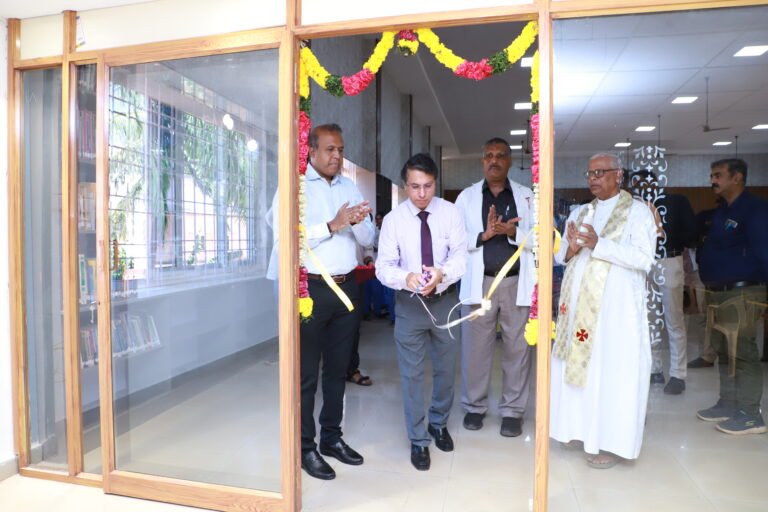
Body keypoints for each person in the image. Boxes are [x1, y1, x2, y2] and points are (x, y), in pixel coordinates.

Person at [267, 123, 374, 480]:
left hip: (347, 288)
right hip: (310, 289)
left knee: (338, 370)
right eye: (330, 149)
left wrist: (358, 222)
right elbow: (285, 238)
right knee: (307, 374)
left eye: (340, 149)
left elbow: (368, 238)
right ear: (311, 152)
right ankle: (304, 447)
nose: (337, 156)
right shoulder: (295, 187)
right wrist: (332, 225)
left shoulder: (350, 186)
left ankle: (331, 438)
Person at [550, 153, 658, 469]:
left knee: (610, 373)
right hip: (579, 311)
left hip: (615, 314)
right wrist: (570, 248)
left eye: (600, 172)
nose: (593, 178)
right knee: (582, 369)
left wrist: (599, 244)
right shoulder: (581, 211)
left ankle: (611, 443)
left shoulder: (638, 213)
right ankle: (578, 430)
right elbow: (560, 256)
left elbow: (644, 259)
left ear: (618, 175)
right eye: (590, 173)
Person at [376, 153, 467, 471]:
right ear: (405, 186)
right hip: (409, 305)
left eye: (428, 186)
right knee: (411, 374)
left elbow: (461, 257)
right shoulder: (393, 220)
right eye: (415, 187)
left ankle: (438, 423)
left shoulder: (450, 213)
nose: (422, 194)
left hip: (446, 302)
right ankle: (418, 439)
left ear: (435, 183)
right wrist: (407, 278)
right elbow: (383, 267)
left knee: (446, 369)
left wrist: (442, 273)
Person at [455, 137, 535, 437]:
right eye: (489, 155)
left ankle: (513, 411)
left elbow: (543, 238)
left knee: (518, 349)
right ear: (482, 161)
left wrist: (515, 232)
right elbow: (453, 240)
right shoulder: (466, 198)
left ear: (510, 161)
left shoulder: (527, 196)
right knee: (475, 350)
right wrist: (483, 235)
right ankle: (474, 406)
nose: (494, 160)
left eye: (500, 155)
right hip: (480, 282)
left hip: (515, 282)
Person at [695, 158, 768, 435]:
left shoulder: (755, 209)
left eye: (718, 175)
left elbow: (765, 252)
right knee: (724, 350)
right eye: (712, 175)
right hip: (719, 291)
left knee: (743, 352)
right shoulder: (722, 211)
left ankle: (750, 415)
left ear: (737, 178)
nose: (712, 180)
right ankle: (728, 403)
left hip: (743, 291)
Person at [629, 170, 697, 394]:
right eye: (637, 184)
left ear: (655, 182)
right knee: (649, 319)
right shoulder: (634, 207)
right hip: (643, 264)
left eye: (645, 183)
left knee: (673, 319)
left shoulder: (675, 202)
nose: (642, 187)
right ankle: (655, 368)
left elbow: (691, 233)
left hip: (669, 259)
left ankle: (678, 373)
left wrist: (667, 236)